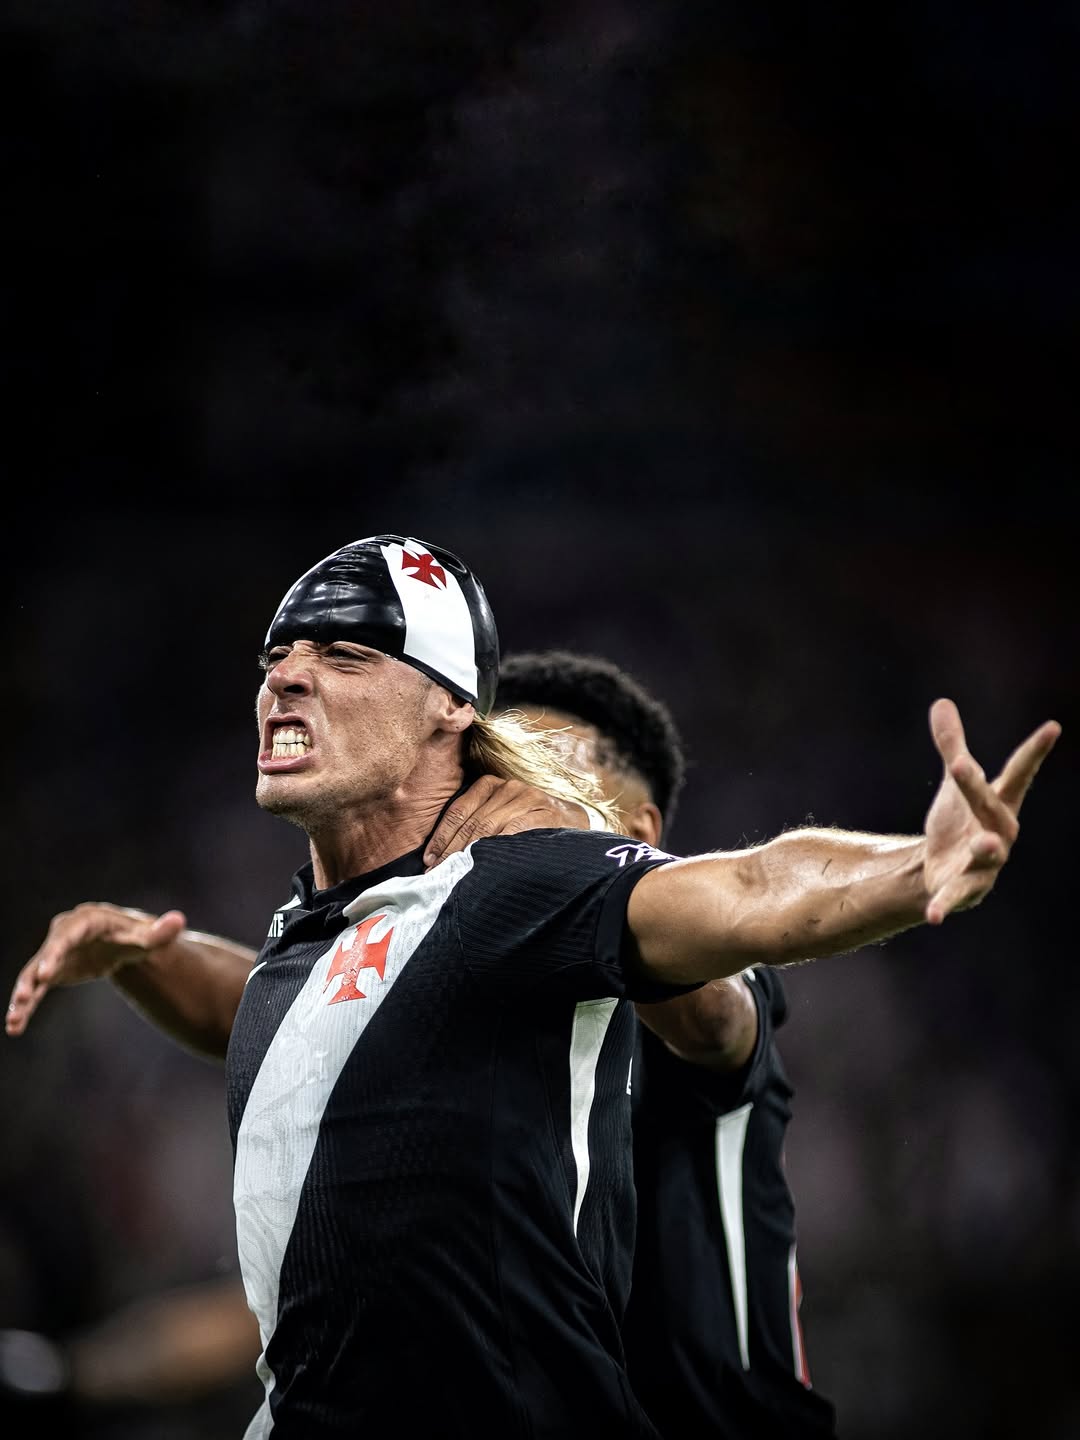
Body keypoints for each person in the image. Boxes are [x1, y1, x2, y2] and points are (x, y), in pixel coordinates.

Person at [5, 532, 1059, 1439]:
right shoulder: (436, 946)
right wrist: (147, 956)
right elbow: (304, 1023)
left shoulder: (599, 932)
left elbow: (747, 898)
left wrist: (914, 868)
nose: (505, 797)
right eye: (277, 653)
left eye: (536, 776)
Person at [495, 649, 838, 1437]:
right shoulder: (473, 1000)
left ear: (640, 834)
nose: (509, 818)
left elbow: (718, 1021)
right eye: (488, 785)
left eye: (544, 785)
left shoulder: (704, 979)